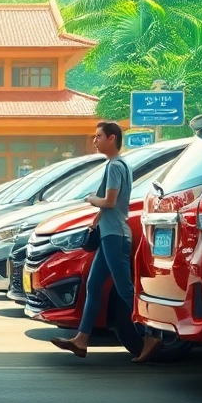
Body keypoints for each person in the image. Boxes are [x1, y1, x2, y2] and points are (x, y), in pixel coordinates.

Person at [51, 121, 162, 363]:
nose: (95, 140)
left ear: (112, 139)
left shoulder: (114, 166)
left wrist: (92, 199)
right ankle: (81, 340)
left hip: (115, 237)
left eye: (99, 136)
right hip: (109, 234)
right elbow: (116, 204)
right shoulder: (120, 165)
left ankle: (152, 334)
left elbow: (110, 201)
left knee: (125, 290)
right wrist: (96, 219)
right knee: (93, 286)